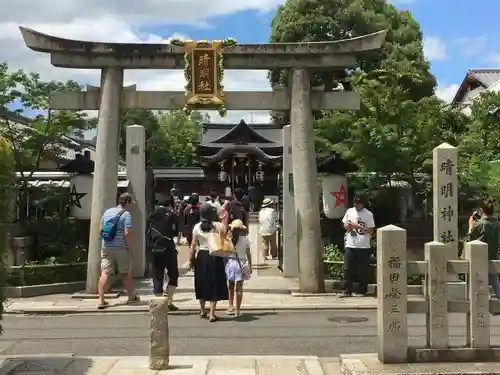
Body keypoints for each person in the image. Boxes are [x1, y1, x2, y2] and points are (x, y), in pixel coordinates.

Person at [97, 192, 139, 309]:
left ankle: (101, 300)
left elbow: (100, 229)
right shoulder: (126, 214)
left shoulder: (107, 212)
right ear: (128, 202)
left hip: (106, 246)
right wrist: (131, 249)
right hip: (121, 248)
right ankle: (131, 297)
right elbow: (127, 233)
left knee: (105, 272)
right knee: (125, 273)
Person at [190, 203, 229, 322]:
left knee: (201, 282)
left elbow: (193, 245)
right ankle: (212, 313)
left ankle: (202, 310)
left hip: (201, 256)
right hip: (215, 256)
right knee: (214, 283)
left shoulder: (197, 227)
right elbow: (225, 237)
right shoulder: (218, 226)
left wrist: (191, 259)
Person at [340, 193, 375, 298]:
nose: (357, 205)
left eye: (359, 203)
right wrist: (349, 226)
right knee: (348, 268)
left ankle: (362, 290)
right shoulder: (349, 211)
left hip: (364, 245)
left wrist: (358, 226)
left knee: (363, 269)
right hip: (351, 244)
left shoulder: (368, 214)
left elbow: (371, 230)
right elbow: (345, 225)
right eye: (355, 202)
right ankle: (347, 290)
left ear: (363, 203)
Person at [148, 197, 180, 310]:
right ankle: (169, 301)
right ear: (170, 205)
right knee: (173, 275)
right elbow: (176, 232)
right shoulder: (172, 215)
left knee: (157, 276)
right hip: (168, 248)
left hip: (155, 249)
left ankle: (159, 304)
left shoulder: (151, 215)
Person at [468, 199, 500, 303]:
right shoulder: (497, 223)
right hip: (493, 254)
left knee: (479, 277)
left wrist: (470, 227)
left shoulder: (480, 224)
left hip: (479, 256)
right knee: (493, 277)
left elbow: (471, 241)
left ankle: (484, 300)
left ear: (481, 210)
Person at [225, 219, 252, 316]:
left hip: (231, 262)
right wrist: (250, 265)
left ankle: (230, 306)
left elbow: (225, 251)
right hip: (241, 263)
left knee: (231, 286)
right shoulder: (245, 239)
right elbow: (248, 254)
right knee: (239, 288)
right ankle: (238, 310)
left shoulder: (229, 238)